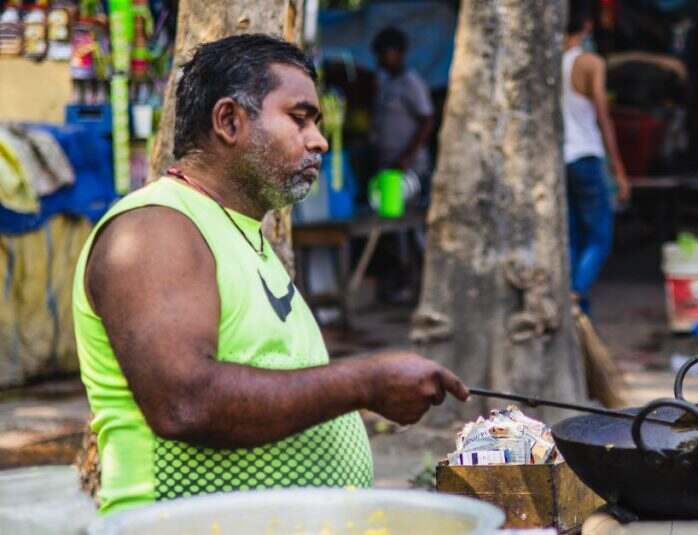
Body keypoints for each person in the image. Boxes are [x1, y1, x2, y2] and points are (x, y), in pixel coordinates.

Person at [72, 34, 468, 515]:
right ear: (229, 121)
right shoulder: (155, 229)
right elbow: (184, 401)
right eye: (299, 118)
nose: (318, 140)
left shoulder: (242, 235)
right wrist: (364, 383)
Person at [562, 0, 630, 314]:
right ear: (587, 25)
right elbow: (603, 118)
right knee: (600, 237)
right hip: (587, 156)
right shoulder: (591, 64)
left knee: (574, 238)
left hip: (562, 160)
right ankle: (575, 295)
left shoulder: (550, 63)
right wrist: (618, 169)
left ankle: (578, 312)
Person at [371, 26, 434, 181]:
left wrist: (406, 158)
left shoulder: (411, 83)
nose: (380, 58)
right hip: (388, 165)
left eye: (384, 53)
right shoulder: (385, 82)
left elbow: (428, 121)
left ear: (398, 53)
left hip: (410, 169)